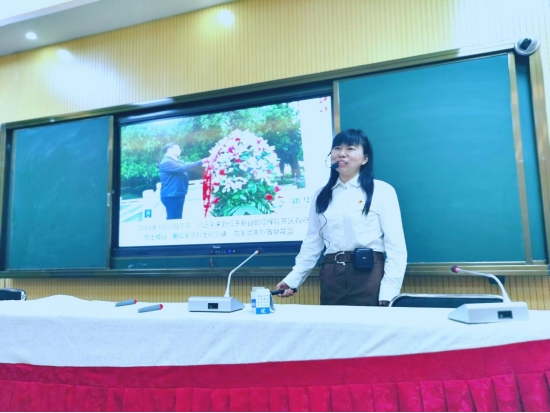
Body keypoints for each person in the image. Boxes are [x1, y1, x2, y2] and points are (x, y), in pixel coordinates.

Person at [276, 129, 407, 306]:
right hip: (331, 275)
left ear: (365, 158)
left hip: (369, 274)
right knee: (331, 324)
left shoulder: (382, 191)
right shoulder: (321, 195)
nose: (342, 154)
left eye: (350, 149)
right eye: (337, 148)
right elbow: (312, 243)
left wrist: (389, 291)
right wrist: (293, 280)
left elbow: (396, 246)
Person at [158, 143, 204, 220]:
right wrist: (201, 162)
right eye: (177, 148)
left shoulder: (177, 161)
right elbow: (184, 167)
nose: (180, 150)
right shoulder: (166, 162)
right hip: (171, 195)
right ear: (169, 150)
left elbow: (187, 165)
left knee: (177, 217)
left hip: (177, 193)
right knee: (173, 218)